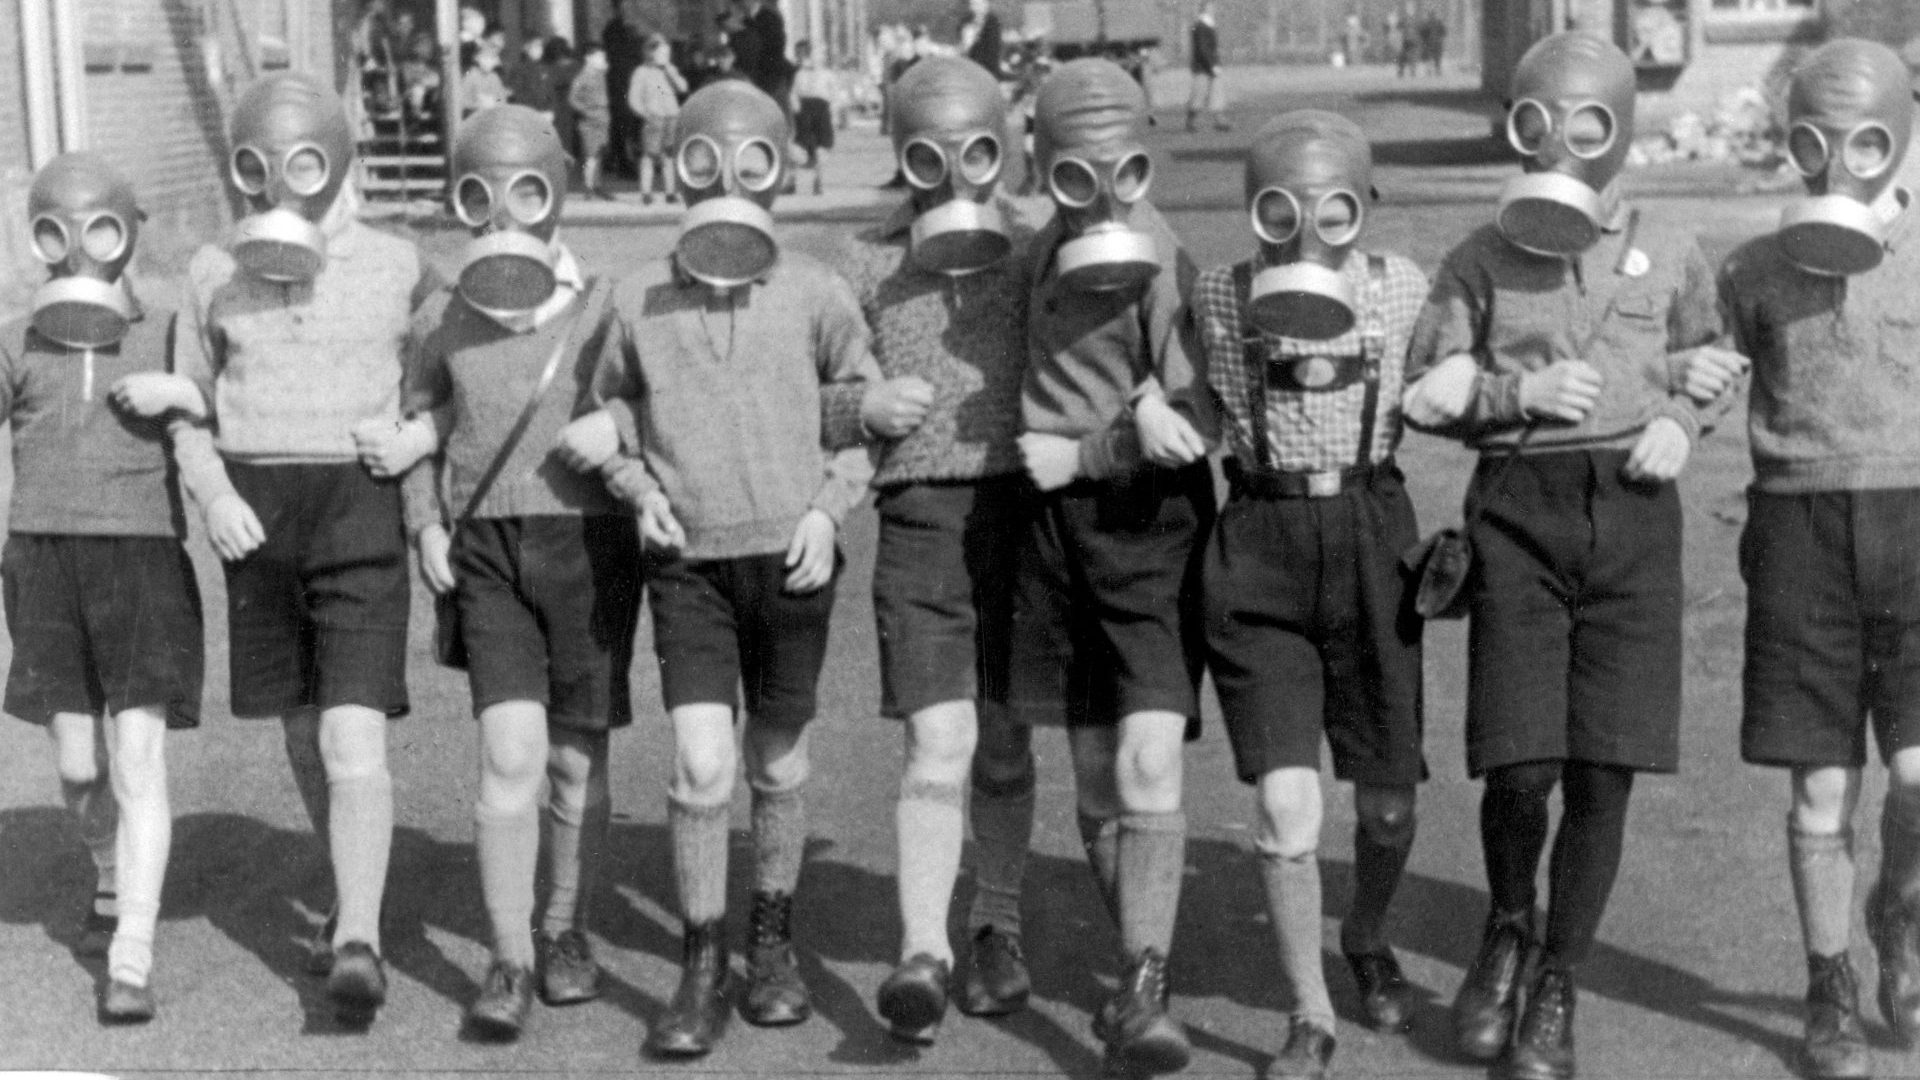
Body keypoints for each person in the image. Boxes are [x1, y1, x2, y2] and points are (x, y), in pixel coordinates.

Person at [1400, 32, 1739, 1080]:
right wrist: (1515, 397)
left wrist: (1684, 422)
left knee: (1602, 771)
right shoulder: (1477, 257)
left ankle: (1557, 976)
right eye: (1540, 122)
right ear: (1517, 124)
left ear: (1622, 135)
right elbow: (1431, 392)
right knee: (1523, 762)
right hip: (1520, 516)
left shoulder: (1671, 246)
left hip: (1634, 519)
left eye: (1588, 125)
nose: (1563, 144)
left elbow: (1711, 357)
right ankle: (1506, 927)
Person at [552, 79, 879, 1060]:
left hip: (789, 558)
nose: (725, 183)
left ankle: (769, 942)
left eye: (749, 163)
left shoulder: (818, 290)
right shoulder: (635, 291)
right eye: (705, 163)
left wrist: (829, 508)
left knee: (775, 758)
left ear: (780, 171)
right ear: (679, 168)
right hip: (687, 565)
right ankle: (700, 960)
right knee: (700, 763)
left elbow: (857, 414)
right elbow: (604, 408)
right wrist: (632, 483)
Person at [122, 71, 439, 1027]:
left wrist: (422, 438)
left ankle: (360, 941)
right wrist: (212, 492)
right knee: (302, 729)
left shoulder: (399, 263)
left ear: (335, 159)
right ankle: (350, 891)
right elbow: (187, 404)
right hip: (255, 517)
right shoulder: (214, 270)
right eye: (258, 168)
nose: (281, 187)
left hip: (356, 505)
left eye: (302, 162)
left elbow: (451, 377)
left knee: (351, 733)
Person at [1693, 38, 1920, 1080]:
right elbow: (1689, 382)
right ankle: (1827, 986)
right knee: (1820, 793)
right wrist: (1674, 388)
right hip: (1798, 538)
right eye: (1814, 143)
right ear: (1791, 146)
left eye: (1866, 142)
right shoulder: (1750, 268)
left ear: (1900, 139)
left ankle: (1902, 918)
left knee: (1919, 779)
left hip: (1917, 531)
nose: (1840, 168)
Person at [389, 105, 638, 1041]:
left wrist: (620, 432)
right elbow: (417, 423)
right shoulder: (441, 316)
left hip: (587, 543)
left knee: (576, 759)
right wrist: (424, 524)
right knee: (508, 756)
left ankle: (567, 926)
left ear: (557, 192)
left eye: (528, 191)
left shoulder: (604, 302)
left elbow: (647, 402)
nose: (506, 214)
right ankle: (509, 955)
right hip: (486, 548)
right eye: (481, 194)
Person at [1194, 111, 1430, 1080]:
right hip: (1262, 542)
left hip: (1374, 534)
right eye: (1277, 212)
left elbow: (1463, 369)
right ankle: (1310, 1012)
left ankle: (1365, 931)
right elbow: (1198, 401)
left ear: (1361, 209)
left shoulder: (1404, 288)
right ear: (1254, 211)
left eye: (1331, 213)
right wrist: (1154, 420)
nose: (1301, 236)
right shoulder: (1218, 292)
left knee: (1382, 807)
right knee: (1289, 807)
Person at [827, 55, 1055, 1045]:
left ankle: (994, 920)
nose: (955, 178)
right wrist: (860, 403)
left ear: (1000, 145)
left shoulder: (1043, 247)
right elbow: (814, 384)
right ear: (904, 156)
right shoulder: (868, 260)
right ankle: (921, 948)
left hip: (1024, 513)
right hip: (920, 515)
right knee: (935, 741)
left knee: (1005, 734)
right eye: (931, 156)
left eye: (976, 151)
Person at [1010, 57, 1215, 1077]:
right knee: (1094, 775)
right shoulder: (1033, 250)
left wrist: (1100, 444)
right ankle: (1143, 957)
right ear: (1043, 164)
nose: (1102, 193)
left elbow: (1197, 421)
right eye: (1073, 169)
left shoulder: (1162, 258)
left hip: (1144, 524)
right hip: (1055, 535)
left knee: (1145, 761)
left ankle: (1144, 984)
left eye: (1121, 168)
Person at [6, 151, 207, 1025]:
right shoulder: (15, 333)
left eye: (101, 229)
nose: (81, 249)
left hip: (140, 557)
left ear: (130, 233)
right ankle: (104, 875)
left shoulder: (166, 324)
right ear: (40, 236)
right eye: (59, 231)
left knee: (136, 763)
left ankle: (133, 956)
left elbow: (232, 402)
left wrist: (191, 392)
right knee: (81, 769)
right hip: (43, 560)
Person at [627, 34, 688, 204]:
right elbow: (634, 97)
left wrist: (669, 69)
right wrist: (643, 113)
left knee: (669, 154)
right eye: (661, 53)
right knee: (649, 154)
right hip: (654, 117)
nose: (664, 56)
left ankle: (670, 191)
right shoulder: (642, 72)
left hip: (671, 116)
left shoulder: (670, 70)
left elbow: (683, 87)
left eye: (667, 53)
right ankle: (646, 191)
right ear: (651, 53)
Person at [570, 44, 614, 198]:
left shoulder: (599, 74)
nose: (602, 60)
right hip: (590, 119)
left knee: (599, 153)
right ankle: (588, 187)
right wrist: (586, 111)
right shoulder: (582, 77)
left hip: (603, 116)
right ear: (588, 58)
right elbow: (573, 99)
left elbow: (605, 70)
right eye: (599, 57)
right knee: (591, 155)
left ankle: (597, 185)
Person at [790, 40, 833, 195]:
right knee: (802, 144)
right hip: (805, 110)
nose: (815, 59)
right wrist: (796, 108)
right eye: (813, 55)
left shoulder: (827, 74)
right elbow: (794, 94)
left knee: (822, 145)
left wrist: (833, 111)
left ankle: (818, 179)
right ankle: (793, 180)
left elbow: (834, 95)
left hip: (821, 109)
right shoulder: (800, 74)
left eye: (820, 55)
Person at [1186, 0, 1229, 132]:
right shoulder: (1201, 26)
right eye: (1211, 7)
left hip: (1208, 66)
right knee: (1199, 95)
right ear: (1205, 9)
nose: (1213, 9)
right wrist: (1212, 66)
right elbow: (1203, 49)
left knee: (1216, 93)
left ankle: (1219, 121)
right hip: (1203, 67)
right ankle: (1192, 122)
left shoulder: (1207, 25)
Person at [502, 36, 559, 121]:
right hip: (527, 116)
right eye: (536, 46)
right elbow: (517, 95)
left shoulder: (544, 69)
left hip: (545, 116)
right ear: (526, 47)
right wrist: (536, 113)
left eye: (541, 46)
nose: (540, 49)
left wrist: (550, 110)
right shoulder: (519, 69)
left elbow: (550, 93)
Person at [461, 34, 510, 116]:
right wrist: (477, 104)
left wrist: (494, 101)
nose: (488, 61)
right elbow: (462, 101)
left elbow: (501, 99)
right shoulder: (471, 76)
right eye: (485, 58)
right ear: (477, 58)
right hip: (475, 116)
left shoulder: (494, 77)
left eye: (491, 58)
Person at [960, 0, 1003, 79]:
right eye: (973, 4)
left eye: (979, 4)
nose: (976, 7)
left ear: (986, 4)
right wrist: (967, 43)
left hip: (987, 69)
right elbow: (962, 47)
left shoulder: (993, 22)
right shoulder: (966, 21)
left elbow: (993, 51)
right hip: (967, 65)